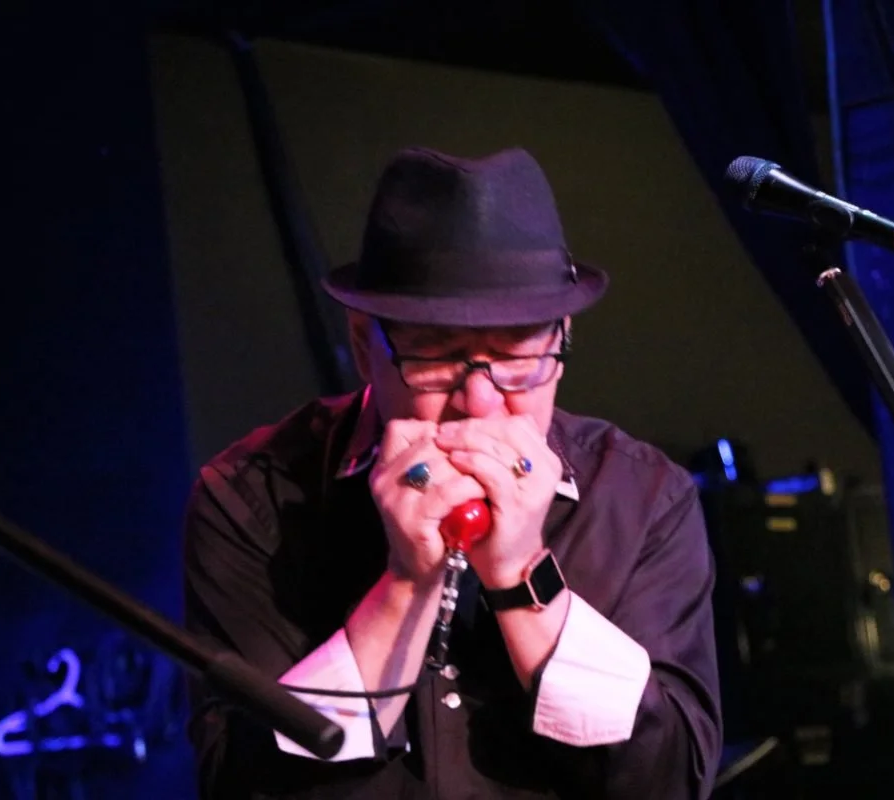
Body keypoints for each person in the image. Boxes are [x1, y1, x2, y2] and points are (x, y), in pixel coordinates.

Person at [183, 146, 722, 799]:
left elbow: (670, 783)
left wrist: (523, 576)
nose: (482, 401)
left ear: (560, 339)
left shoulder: (643, 499)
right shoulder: (251, 497)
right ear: (364, 344)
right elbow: (243, 784)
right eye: (437, 358)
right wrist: (405, 586)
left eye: (518, 358)